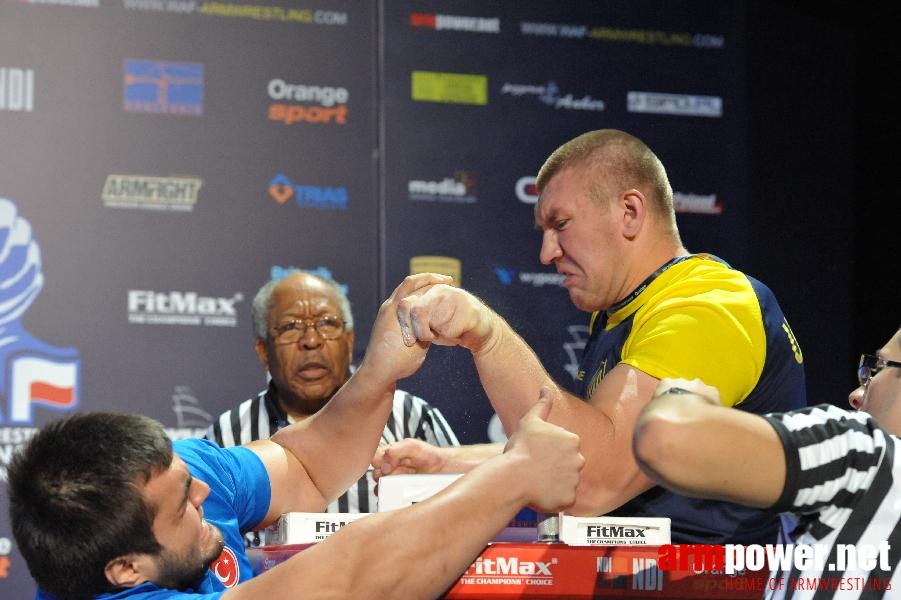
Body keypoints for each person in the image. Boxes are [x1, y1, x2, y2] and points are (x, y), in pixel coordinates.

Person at [7, 273, 585, 600]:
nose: (202, 493)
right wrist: (513, 475)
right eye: (182, 503)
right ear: (126, 570)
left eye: (188, 480)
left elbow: (304, 465)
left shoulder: (174, 475)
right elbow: (353, 579)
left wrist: (379, 370)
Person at [375, 128, 806, 545]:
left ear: (630, 213)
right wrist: (449, 462)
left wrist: (488, 336)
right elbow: (575, 452)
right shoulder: (624, 311)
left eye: (560, 224)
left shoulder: (709, 305)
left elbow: (591, 483)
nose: (547, 253)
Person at [632, 325, 901, 596]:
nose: (855, 395)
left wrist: (682, 395)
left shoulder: (862, 451)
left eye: (876, 368)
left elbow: (666, 439)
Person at [205, 270, 459, 521]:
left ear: (349, 342)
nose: (311, 340)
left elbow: (463, 510)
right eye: (291, 327)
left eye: (327, 323)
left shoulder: (411, 417)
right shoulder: (228, 436)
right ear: (263, 351)